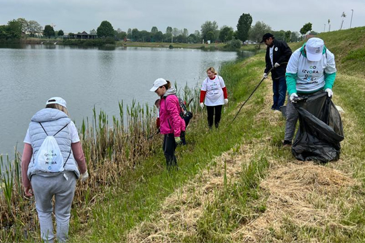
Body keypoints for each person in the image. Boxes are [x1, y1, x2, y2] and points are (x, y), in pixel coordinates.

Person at [21, 97, 89, 243]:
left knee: (44, 213)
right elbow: (79, 155)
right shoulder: (68, 123)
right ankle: (62, 241)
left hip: (39, 178)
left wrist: (26, 183)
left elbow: (25, 159)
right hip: (64, 177)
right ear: (63, 109)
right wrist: (84, 172)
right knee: (63, 214)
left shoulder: (33, 124)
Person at [283, 37, 337, 147]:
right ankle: (287, 141)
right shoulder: (296, 55)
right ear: (306, 49)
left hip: (317, 91)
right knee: (292, 116)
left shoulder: (328, 55)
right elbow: (290, 75)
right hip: (298, 91)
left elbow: (330, 73)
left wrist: (328, 87)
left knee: (315, 118)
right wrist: (292, 92)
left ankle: (312, 142)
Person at [150, 78, 186, 169]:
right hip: (168, 130)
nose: (156, 92)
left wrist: (177, 134)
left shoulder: (169, 99)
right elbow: (164, 117)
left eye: (156, 89)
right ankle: (173, 171)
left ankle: (173, 172)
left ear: (163, 87)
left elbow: (175, 117)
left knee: (168, 152)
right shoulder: (163, 98)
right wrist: (160, 128)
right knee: (166, 151)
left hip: (173, 130)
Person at [262, 33, 292, 111]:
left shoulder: (281, 44)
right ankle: (274, 105)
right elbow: (268, 61)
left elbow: (288, 53)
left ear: (270, 39)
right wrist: (266, 72)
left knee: (281, 91)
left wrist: (279, 61)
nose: (265, 43)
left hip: (282, 72)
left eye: (265, 41)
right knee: (275, 91)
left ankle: (279, 108)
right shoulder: (268, 48)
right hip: (274, 73)